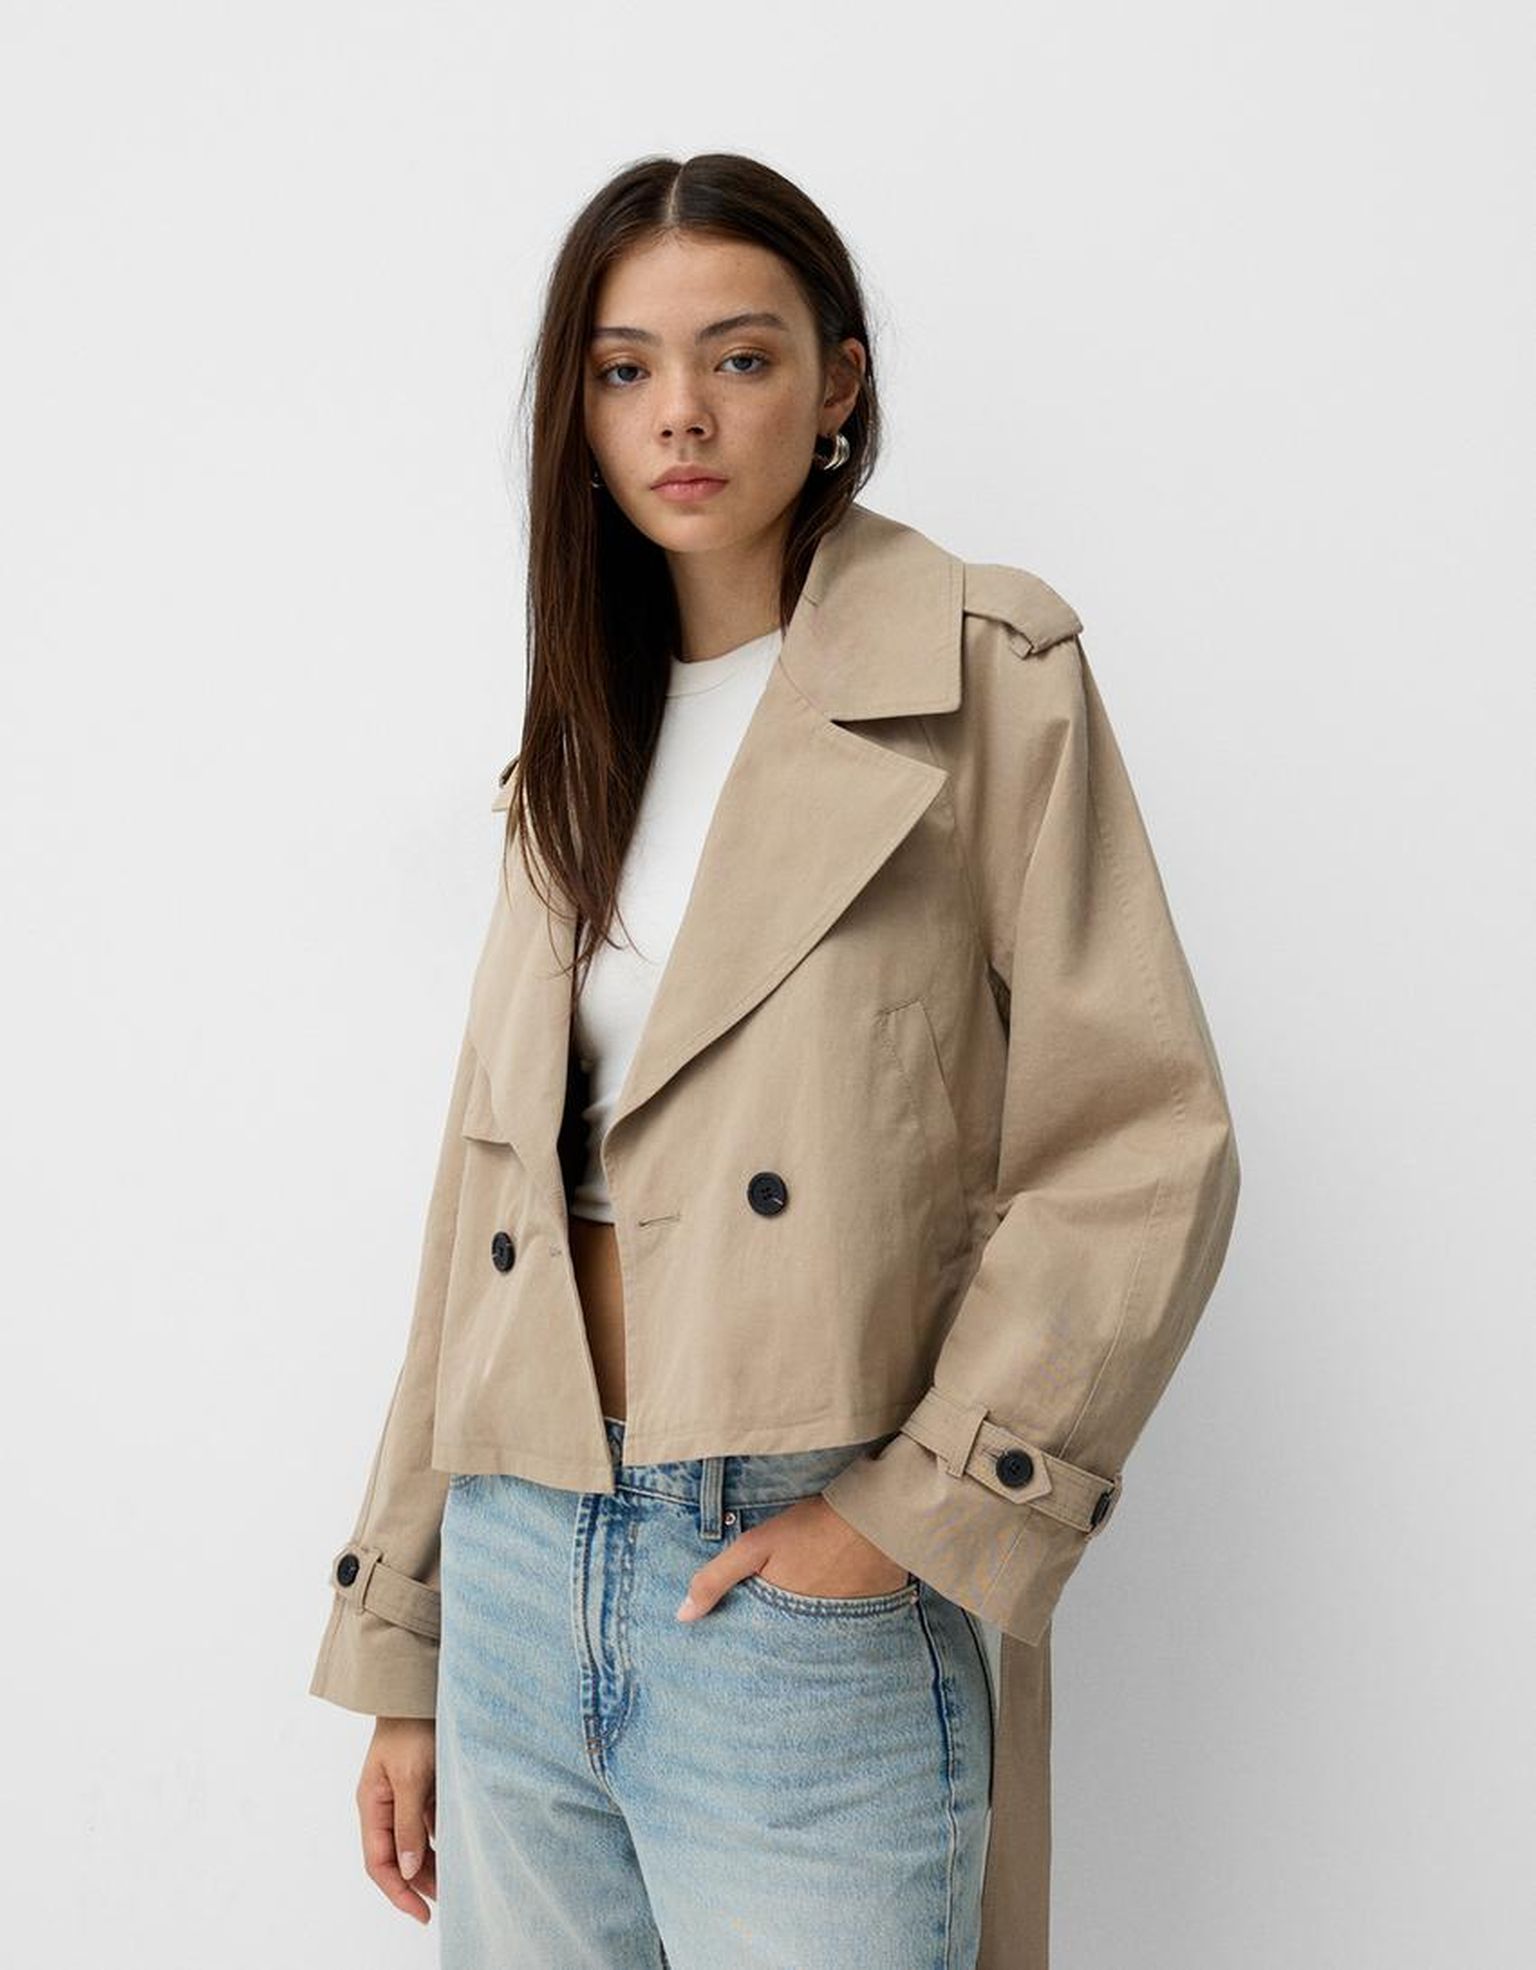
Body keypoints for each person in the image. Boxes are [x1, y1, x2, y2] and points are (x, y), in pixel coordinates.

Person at [308, 151, 1241, 1970]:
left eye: (739, 357)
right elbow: (484, 1214)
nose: (682, 414)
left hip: (800, 1569)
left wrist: (912, 1515)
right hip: (519, 1553)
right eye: (624, 368)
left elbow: (1141, 1144)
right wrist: (406, 1631)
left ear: (837, 385)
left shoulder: (985, 668)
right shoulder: (576, 740)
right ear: (580, 412)